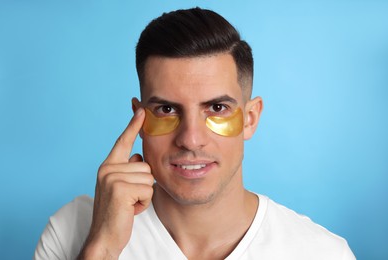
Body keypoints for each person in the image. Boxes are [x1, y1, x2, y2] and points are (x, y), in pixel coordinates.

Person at [34, 7, 355, 260]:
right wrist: (102, 249)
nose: (190, 139)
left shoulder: (323, 253)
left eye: (216, 108)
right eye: (167, 110)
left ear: (250, 118)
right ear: (139, 117)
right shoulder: (72, 229)